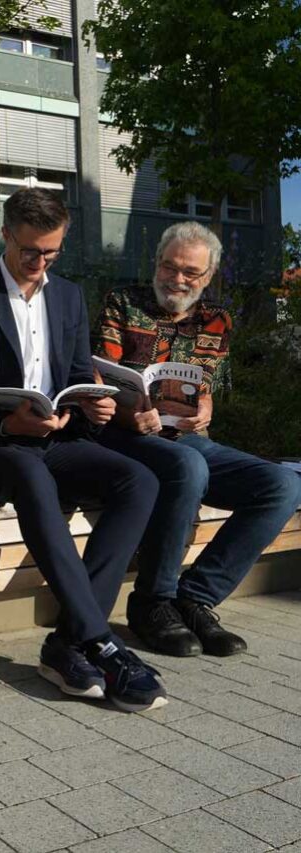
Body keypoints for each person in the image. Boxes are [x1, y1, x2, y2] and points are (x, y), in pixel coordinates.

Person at [0, 187, 165, 713]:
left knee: (140, 480)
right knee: (33, 477)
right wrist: (8, 422)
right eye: (30, 251)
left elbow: (73, 374)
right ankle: (100, 642)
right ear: (5, 235)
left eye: (51, 252)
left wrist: (92, 405)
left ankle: (68, 641)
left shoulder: (67, 295)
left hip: (58, 437)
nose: (40, 262)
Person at [94, 221, 301, 657]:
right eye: (170, 267)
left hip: (188, 440)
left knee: (283, 484)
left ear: (208, 278)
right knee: (188, 466)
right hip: (125, 437)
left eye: (191, 273)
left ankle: (195, 598)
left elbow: (204, 386)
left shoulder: (216, 319)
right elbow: (99, 380)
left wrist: (206, 408)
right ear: (157, 264)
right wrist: (133, 415)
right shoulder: (122, 303)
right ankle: (152, 601)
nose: (178, 279)